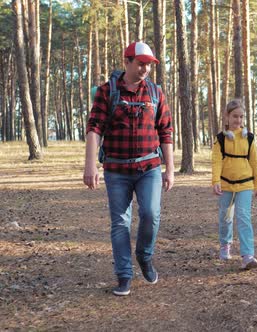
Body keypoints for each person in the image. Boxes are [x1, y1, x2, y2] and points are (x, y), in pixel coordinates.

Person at [83, 41, 174, 296]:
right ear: (128, 61)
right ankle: (124, 275)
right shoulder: (107, 91)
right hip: (116, 170)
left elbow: (166, 132)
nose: (145, 68)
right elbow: (94, 129)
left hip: (149, 169)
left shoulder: (155, 93)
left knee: (151, 213)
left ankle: (144, 256)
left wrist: (171, 169)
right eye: (141, 63)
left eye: (149, 64)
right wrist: (90, 165)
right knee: (120, 223)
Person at [212, 99, 257, 270]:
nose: (238, 120)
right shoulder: (220, 139)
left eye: (241, 117)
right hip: (226, 185)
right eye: (234, 116)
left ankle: (248, 256)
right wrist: (216, 181)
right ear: (227, 116)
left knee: (243, 217)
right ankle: (225, 244)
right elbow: (216, 162)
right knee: (225, 218)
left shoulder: (249, 138)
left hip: (245, 185)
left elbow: (254, 162)